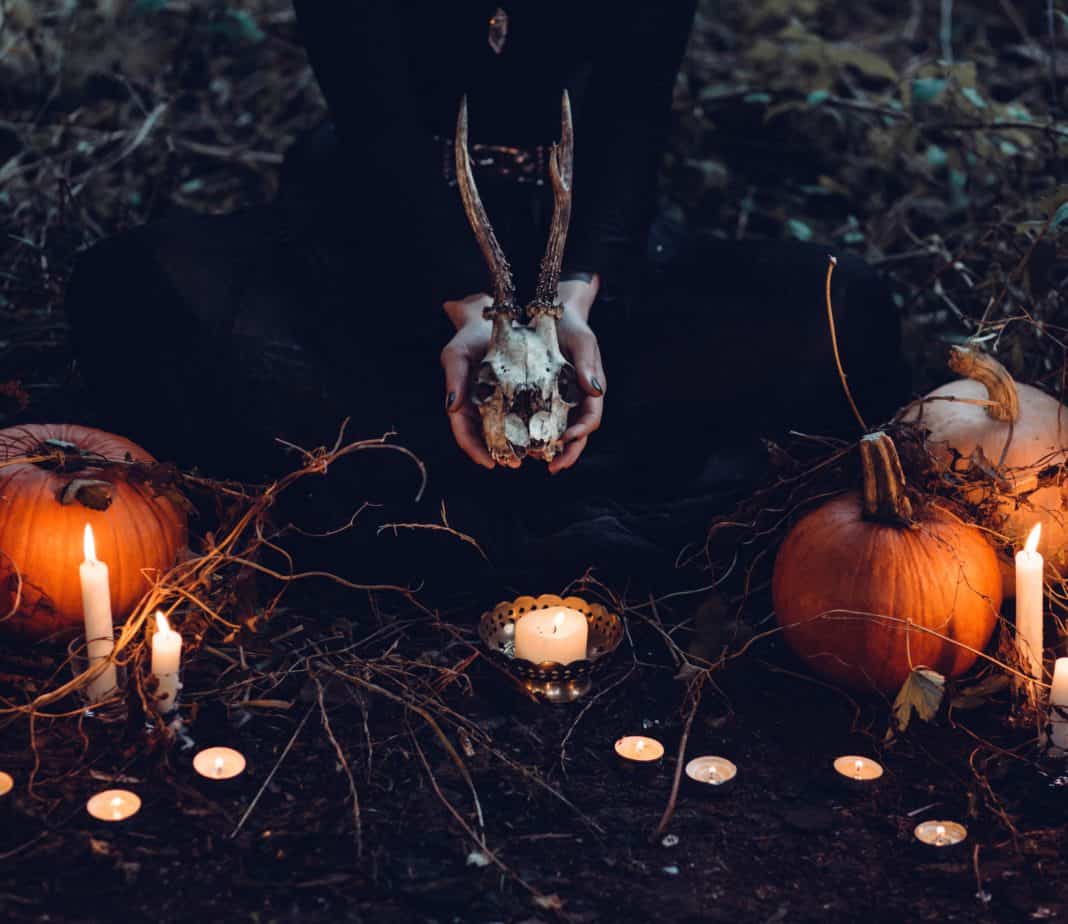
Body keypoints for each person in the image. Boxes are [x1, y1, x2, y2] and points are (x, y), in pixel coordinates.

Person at [65, 1, 908, 586]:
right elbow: (374, 121)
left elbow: (634, 113)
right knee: (130, 292)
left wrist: (575, 299)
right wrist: (466, 304)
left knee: (845, 316)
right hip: (382, 241)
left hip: (588, 246)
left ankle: (426, 466)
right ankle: (503, 472)